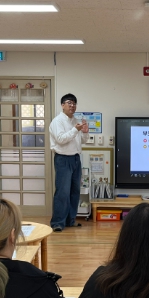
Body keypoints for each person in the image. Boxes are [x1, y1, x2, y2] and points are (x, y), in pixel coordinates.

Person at [49, 93, 88, 232]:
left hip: (76, 158)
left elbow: (82, 141)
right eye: (69, 103)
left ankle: (70, 220)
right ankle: (57, 222)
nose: (72, 106)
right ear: (62, 105)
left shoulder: (75, 120)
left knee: (74, 191)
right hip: (63, 159)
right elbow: (61, 139)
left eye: (74, 103)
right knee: (62, 192)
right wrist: (75, 130)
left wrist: (85, 132)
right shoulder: (57, 121)